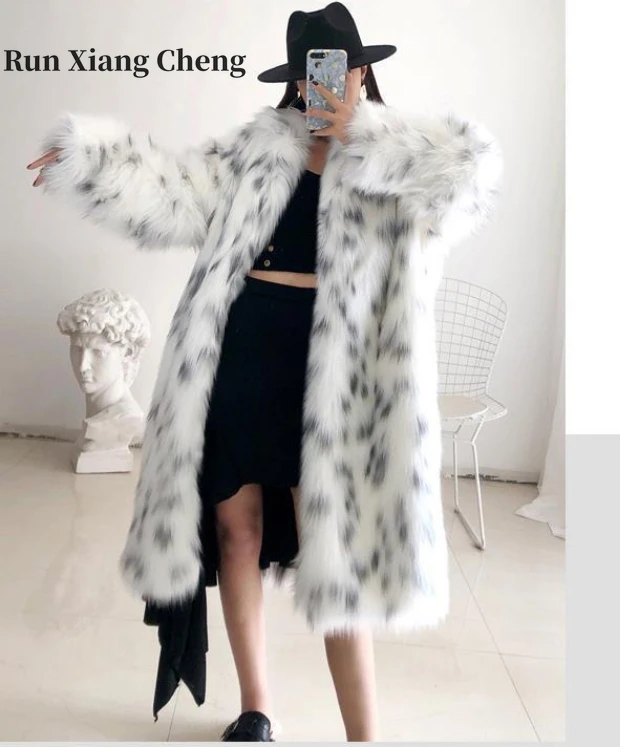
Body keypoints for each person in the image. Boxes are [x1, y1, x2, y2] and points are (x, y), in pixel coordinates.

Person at [27, 2, 503, 741]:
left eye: (337, 70)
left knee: (332, 552)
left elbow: (470, 179)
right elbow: (170, 188)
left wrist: (364, 133)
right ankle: (256, 709)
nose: (324, 85)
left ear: (361, 72)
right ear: (294, 81)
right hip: (242, 351)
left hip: (334, 374)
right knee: (236, 529)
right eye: (310, 73)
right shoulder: (259, 150)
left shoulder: (393, 159)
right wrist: (83, 160)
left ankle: (363, 734)